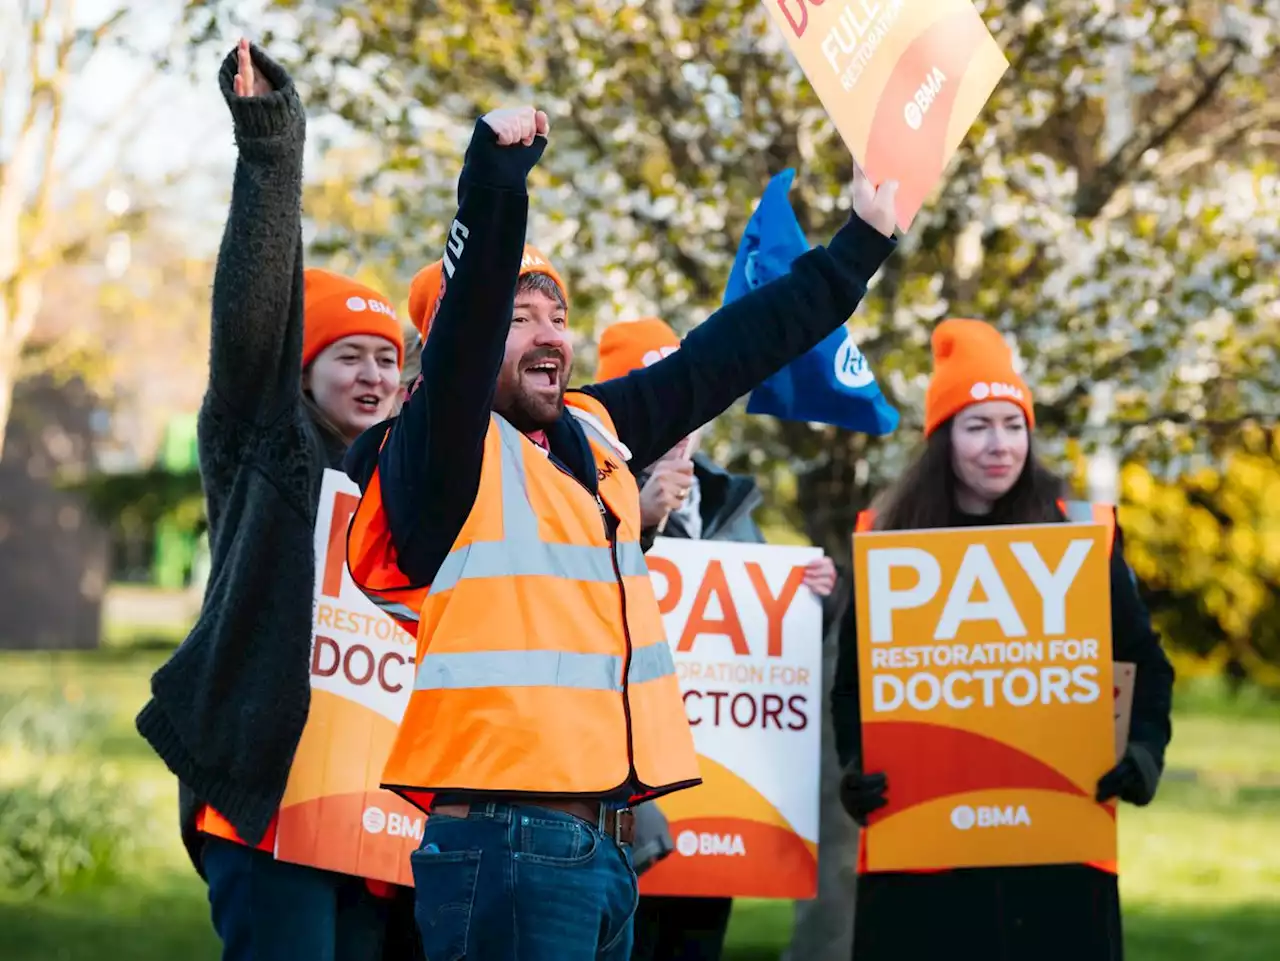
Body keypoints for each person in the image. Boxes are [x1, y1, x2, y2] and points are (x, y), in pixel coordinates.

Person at [343, 105, 900, 961]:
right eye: (518, 317)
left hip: (603, 847)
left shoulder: (593, 429)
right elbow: (461, 344)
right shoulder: (440, 448)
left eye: (556, 316)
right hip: (508, 843)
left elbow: (729, 353)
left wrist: (859, 242)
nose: (548, 335)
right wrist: (495, 183)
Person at [134, 40, 412, 961]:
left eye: (389, 361)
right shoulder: (267, 444)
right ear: (304, 372)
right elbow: (254, 317)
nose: (375, 375)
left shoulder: (408, 485)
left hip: (374, 824)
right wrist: (269, 146)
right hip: (273, 804)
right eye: (351, 356)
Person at [831, 318, 1176, 961]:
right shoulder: (891, 548)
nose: (1000, 445)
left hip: (1055, 866)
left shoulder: (1078, 539)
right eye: (977, 425)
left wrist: (1144, 753)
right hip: (925, 872)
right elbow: (852, 686)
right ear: (943, 439)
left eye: (1013, 425)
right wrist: (856, 767)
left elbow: (1147, 664)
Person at [591, 317, 837, 961]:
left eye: (689, 397)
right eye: (659, 395)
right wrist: (636, 517)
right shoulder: (575, 491)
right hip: (616, 811)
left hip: (714, 809)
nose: (678, 419)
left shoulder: (733, 510)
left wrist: (808, 596)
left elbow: (765, 649)